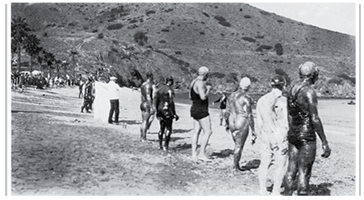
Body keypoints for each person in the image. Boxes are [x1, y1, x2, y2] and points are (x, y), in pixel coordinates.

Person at [283, 61, 331, 196]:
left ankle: (286, 194)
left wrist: (291, 131)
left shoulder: (291, 89)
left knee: (291, 170)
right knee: (304, 171)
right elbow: (314, 118)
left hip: (293, 132)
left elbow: (290, 115)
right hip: (306, 135)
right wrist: (325, 142)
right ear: (313, 75)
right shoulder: (309, 92)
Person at [256, 75, 289, 195]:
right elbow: (286, 122)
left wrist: (261, 135)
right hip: (279, 135)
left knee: (264, 163)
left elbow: (259, 122)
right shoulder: (283, 101)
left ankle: (262, 189)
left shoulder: (261, 100)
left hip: (266, 134)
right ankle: (275, 192)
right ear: (284, 86)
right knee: (280, 165)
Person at [225, 77, 257, 172]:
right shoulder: (246, 98)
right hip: (241, 121)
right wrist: (253, 130)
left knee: (236, 144)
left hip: (231, 121)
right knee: (239, 145)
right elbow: (249, 115)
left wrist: (226, 123)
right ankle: (235, 167)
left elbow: (227, 111)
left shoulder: (231, 96)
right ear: (248, 87)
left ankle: (237, 164)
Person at [190, 66, 213, 162]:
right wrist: (208, 89)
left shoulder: (193, 82)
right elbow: (203, 97)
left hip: (194, 107)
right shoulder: (200, 83)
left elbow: (189, 96)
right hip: (201, 109)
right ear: (205, 74)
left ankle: (193, 153)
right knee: (208, 131)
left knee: (196, 132)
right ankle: (202, 154)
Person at [155, 76, 179, 151]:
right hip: (167, 110)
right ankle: (166, 146)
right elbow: (171, 102)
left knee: (161, 128)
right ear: (171, 82)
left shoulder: (159, 89)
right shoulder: (170, 90)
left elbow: (156, 101)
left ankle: (160, 145)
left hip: (160, 108)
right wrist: (174, 113)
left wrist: (157, 111)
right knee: (168, 128)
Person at [140, 72, 156, 142]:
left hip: (143, 103)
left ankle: (141, 136)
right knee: (145, 121)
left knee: (143, 121)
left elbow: (141, 95)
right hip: (147, 104)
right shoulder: (149, 85)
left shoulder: (143, 84)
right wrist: (151, 106)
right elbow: (148, 96)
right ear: (151, 76)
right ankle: (144, 138)